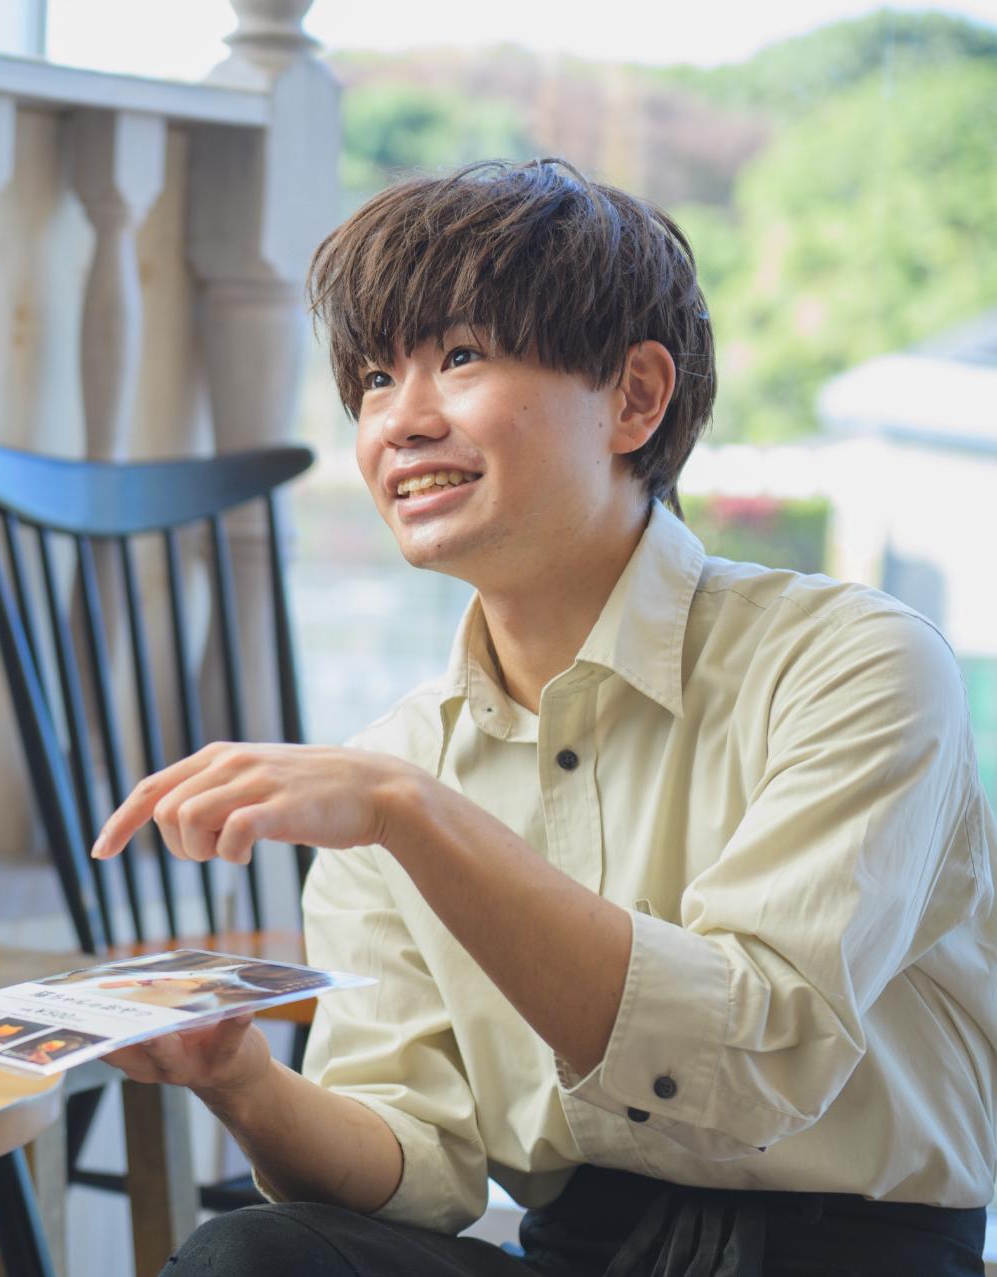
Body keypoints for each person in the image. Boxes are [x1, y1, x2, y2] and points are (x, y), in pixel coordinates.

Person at [91, 159, 997, 1275]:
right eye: (374, 377)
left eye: (462, 356)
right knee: (251, 1254)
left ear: (636, 397)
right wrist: (241, 1080)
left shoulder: (852, 663)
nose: (400, 421)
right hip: (572, 1250)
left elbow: (755, 1065)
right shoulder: (393, 767)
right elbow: (419, 1167)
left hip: (848, 1253)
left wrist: (412, 813)